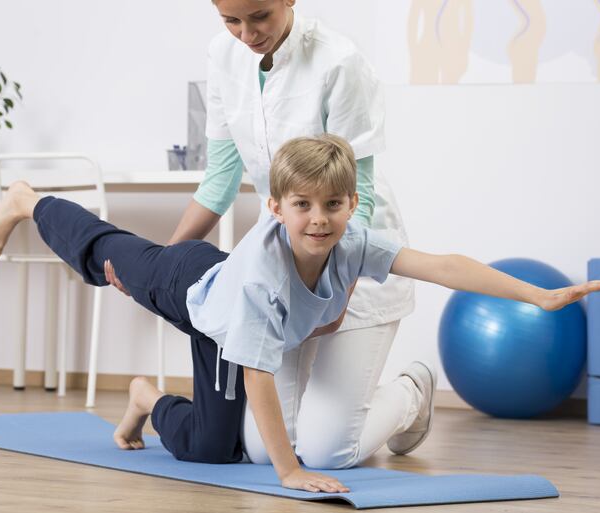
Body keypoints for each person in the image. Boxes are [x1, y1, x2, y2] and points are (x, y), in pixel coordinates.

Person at [0, 134, 600, 493]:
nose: (319, 219)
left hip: (222, 314)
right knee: (110, 255)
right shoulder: (262, 281)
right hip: (190, 286)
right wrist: (290, 470)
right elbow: (257, 374)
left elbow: (443, 265)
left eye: (333, 205)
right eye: (302, 205)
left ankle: (147, 396)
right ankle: (27, 200)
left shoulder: (352, 241)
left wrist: (539, 296)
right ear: (276, 207)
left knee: (211, 449)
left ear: (351, 204)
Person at [109, 0, 423, 469]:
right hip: (285, 265)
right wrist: (160, 265)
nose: (247, 33)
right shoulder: (223, 55)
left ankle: (411, 393)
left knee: (324, 452)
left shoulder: (339, 61)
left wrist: (340, 289)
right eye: (231, 20)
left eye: (259, 17)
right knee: (259, 450)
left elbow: (363, 193)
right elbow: (220, 181)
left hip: (354, 267)